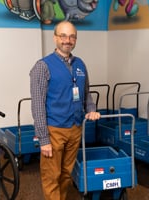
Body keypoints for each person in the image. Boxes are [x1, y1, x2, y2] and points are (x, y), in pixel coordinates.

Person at [30, 20, 100, 200]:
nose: (67, 40)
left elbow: (86, 94)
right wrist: (43, 139)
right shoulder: (42, 66)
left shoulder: (80, 64)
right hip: (54, 130)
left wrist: (91, 109)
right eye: (63, 36)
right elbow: (37, 105)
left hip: (75, 128)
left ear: (75, 39)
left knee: (66, 174)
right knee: (51, 176)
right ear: (55, 38)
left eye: (72, 36)